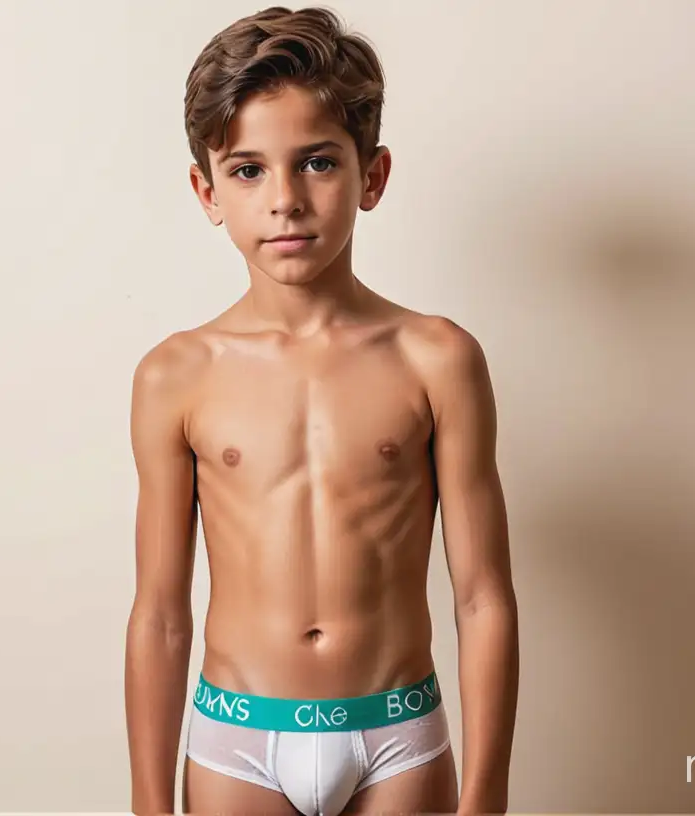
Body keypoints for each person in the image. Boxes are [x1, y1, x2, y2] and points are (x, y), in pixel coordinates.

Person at [124, 6, 519, 814]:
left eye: (316, 163)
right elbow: (162, 612)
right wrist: (146, 802)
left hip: (397, 735)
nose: (285, 201)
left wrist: (487, 795)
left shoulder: (436, 358)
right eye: (247, 171)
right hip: (237, 741)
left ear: (371, 175)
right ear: (207, 191)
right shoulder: (177, 374)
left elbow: (482, 594)